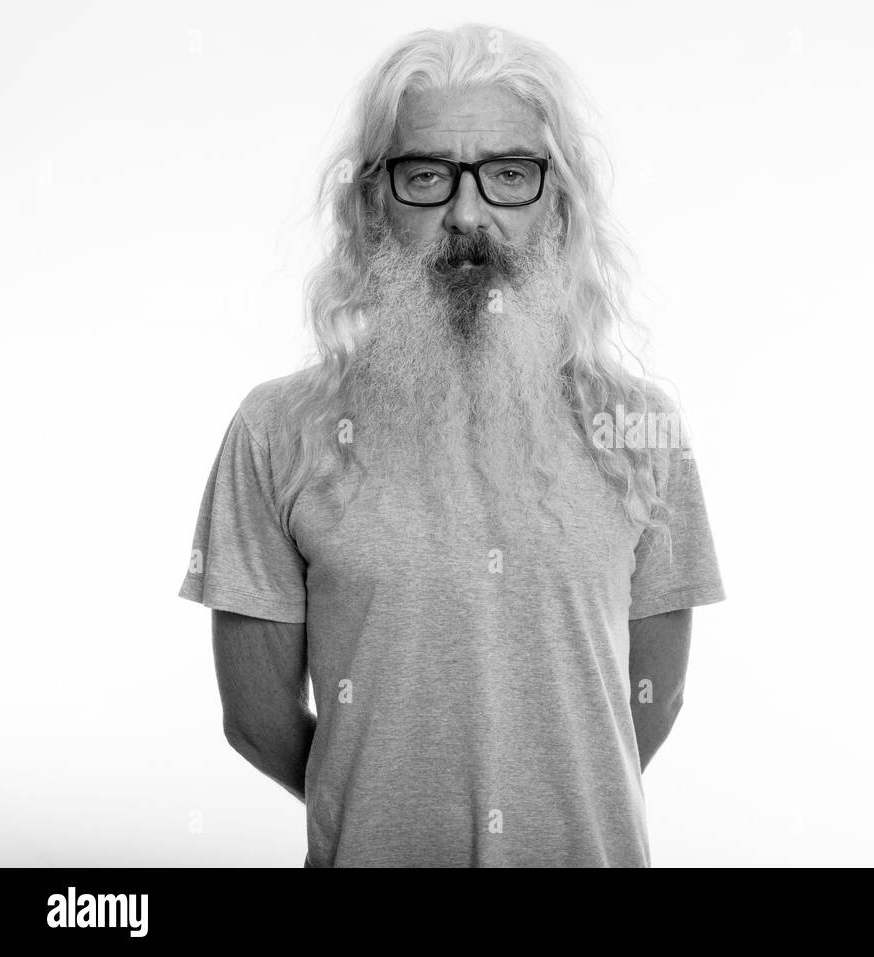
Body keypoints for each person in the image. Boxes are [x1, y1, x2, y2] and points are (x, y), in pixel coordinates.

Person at [178, 23, 725, 867]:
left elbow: (650, 700)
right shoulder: (276, 433)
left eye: (510, 175)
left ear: (560, 203)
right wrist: (381, 806)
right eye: (425, 175)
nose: (466, 213)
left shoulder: (641, 428)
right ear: (371, 206)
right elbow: (255, 719)